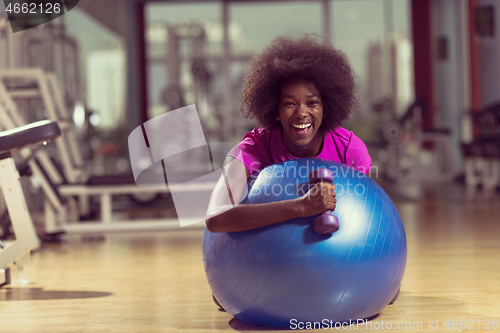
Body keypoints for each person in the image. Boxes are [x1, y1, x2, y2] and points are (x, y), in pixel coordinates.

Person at [205, 35, 372, 234]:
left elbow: (366, 214)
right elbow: (215, 218)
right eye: (289, 104)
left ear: (326, 107)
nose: (301, 113)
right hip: (264, 261)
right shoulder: (253, 149)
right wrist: (301, 207)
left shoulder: (349, 150)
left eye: (312, 103)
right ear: (275, 110)